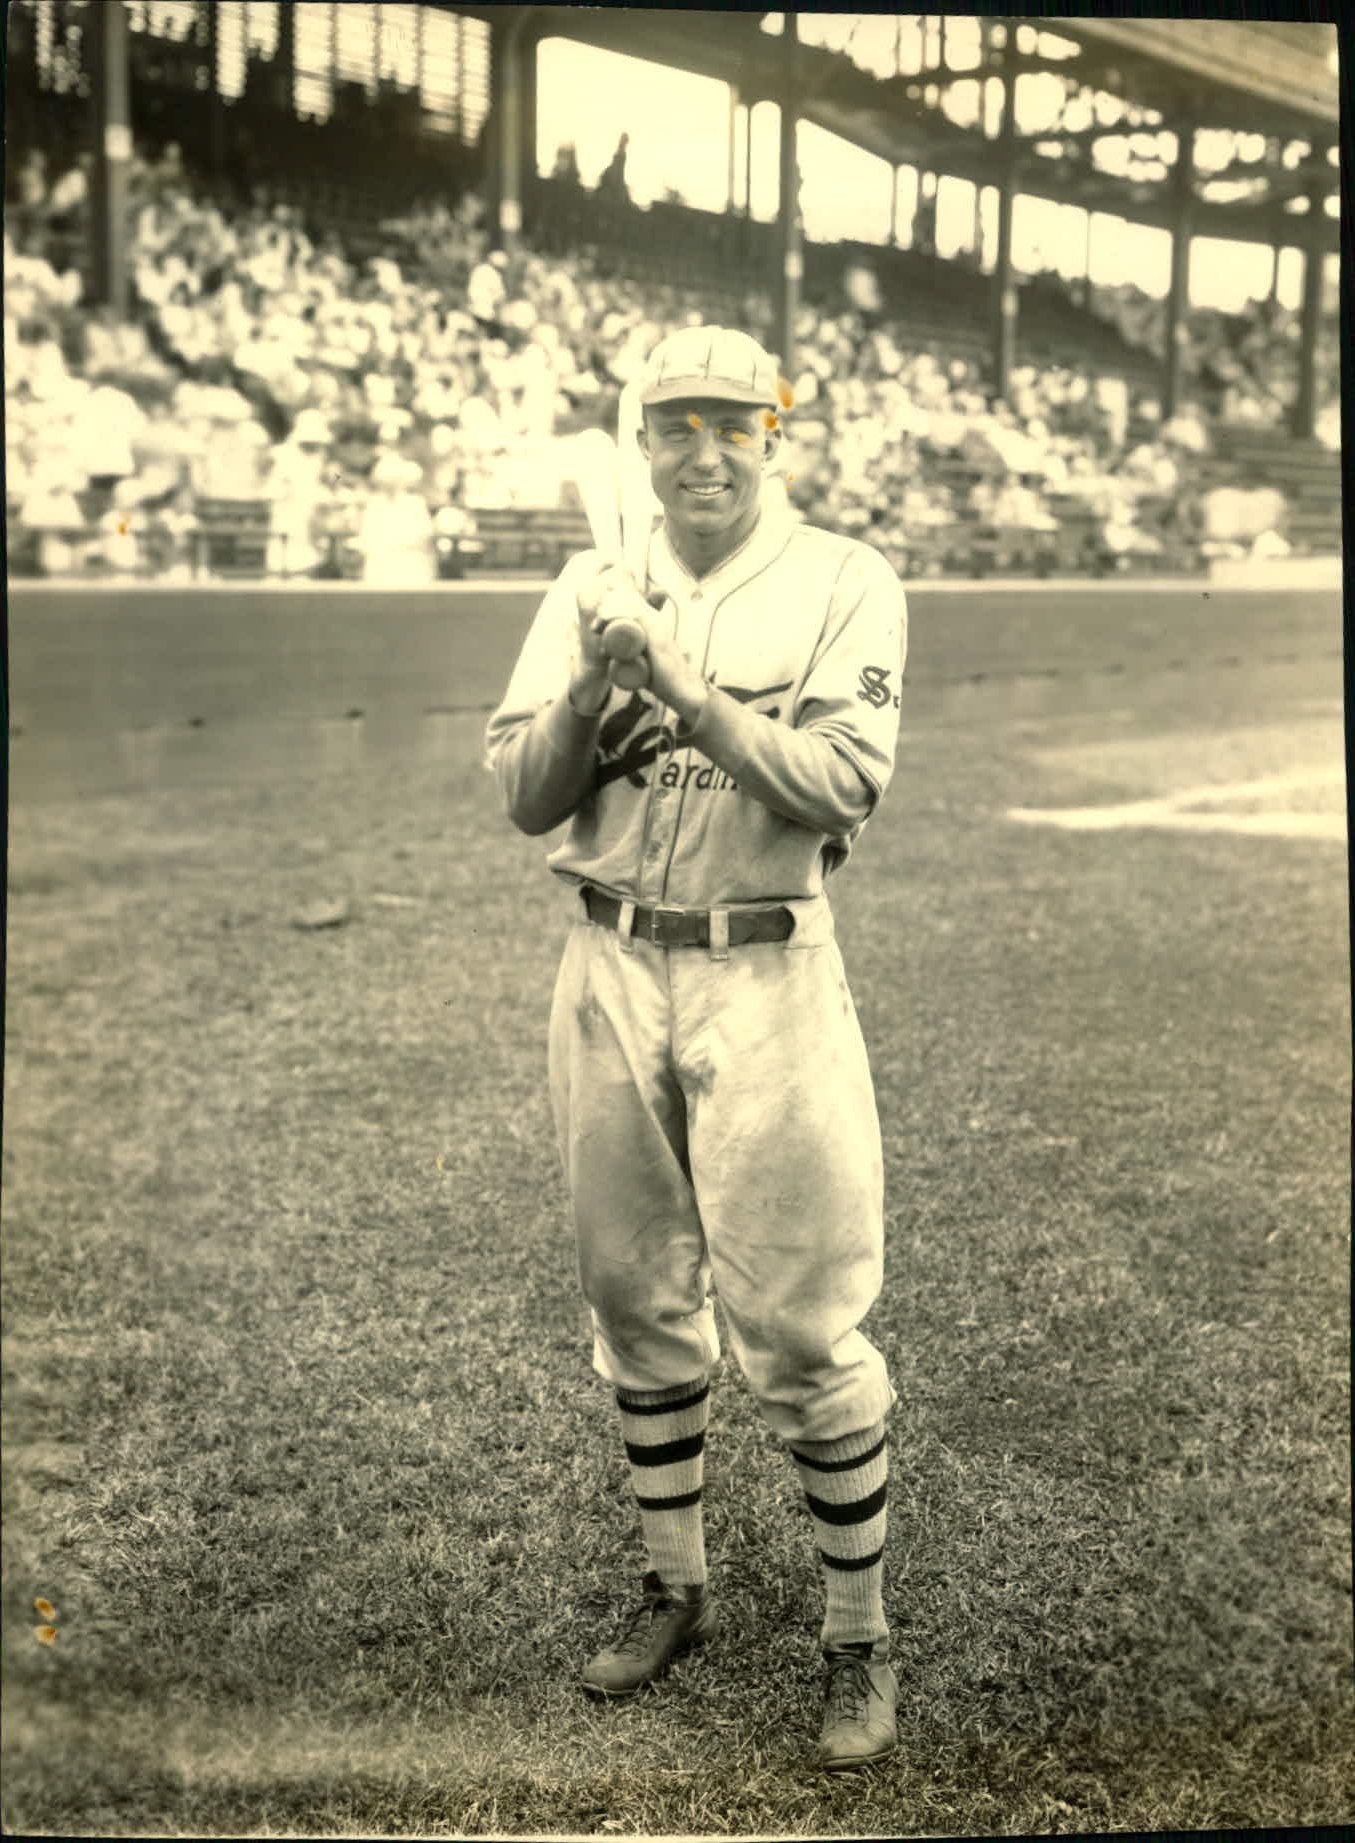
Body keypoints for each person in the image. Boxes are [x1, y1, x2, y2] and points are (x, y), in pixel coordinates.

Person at [485, 326, 908, 1772]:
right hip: (605, 959)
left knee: (799, 1323)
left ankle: (857, 1634)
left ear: (777, 436)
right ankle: (677, 1587)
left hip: (766, 966)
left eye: (736, 424)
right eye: (677, 426)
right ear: (642, 442)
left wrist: (684, 684)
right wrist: (597, 694)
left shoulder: (849, 580)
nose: (705, 452)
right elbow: (521, 798)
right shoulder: (589, 582)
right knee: (634, 1296)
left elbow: (839, 778)